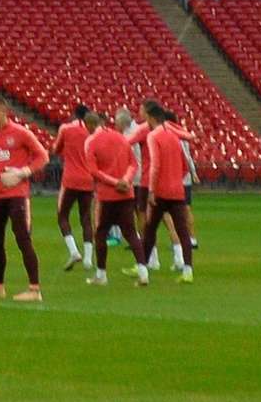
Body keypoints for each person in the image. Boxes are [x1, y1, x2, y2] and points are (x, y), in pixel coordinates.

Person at [0, 103, 46, 301]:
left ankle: (34, 288)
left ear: (5, 111)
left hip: (17, 194)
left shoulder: (21, 133)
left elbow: (43, 156)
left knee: (22, 238)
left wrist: (24, 172)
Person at [80, 102, 144, 284]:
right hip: (127, 193)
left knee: (100, 233)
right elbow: (134, 163)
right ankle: (143, 272)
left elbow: (94, 171)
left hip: (107, 196)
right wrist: (126, 180)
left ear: (90, 125)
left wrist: (115, 182)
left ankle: (101, 274)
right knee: (131, 233)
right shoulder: (120, 137)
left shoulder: (91, 142)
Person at [140, 100, 197, 281]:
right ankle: (188, 270)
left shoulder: (153, 136)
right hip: (177, 190)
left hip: (161, 191)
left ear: (150, 117)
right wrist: (175, 180)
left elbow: (155, 165)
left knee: (150, 229)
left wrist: (151, 190)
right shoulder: (174, 136)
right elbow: (185, 167)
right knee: (182, 230)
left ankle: (143, 269)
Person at [52, 102, 95, 270]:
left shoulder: (66, 129)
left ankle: (74, 251)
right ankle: (88, 259)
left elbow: (56, 148)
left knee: (62, 215)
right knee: (85, 217)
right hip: (88, 179)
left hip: (70, 179)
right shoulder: (91, 131)